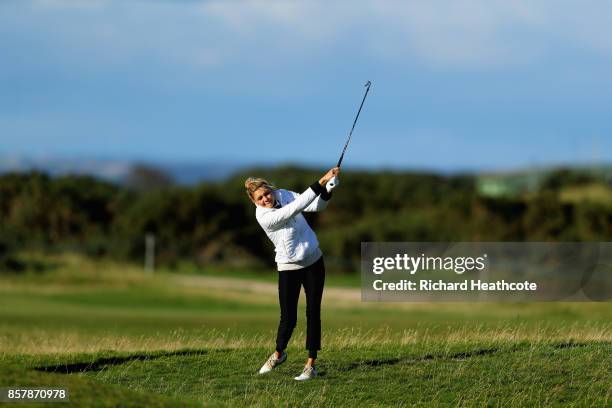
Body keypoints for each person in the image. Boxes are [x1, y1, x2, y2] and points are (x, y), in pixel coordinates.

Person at [245, 167, 339, 381]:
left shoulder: (284, 194)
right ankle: (278, 354)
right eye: (260, 198)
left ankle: (310, 365)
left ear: (271, 189)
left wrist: (328, 190)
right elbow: (296, 207)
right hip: (289, 266)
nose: (266, 199)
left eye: (267, 193)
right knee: (288, 318)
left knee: (313, 312)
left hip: (314, 260)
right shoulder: (264, 217)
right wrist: (322, 180)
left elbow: (316, 206)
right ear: (254, 201)